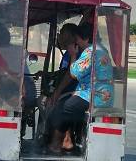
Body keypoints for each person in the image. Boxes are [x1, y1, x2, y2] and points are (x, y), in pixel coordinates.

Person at [46, 23, 113, 153]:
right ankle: (68, 140)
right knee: (67, 105)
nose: (75, 42)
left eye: (77, 39)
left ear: (86, 39)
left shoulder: (90, 52)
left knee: (63, 108)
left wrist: (72, 55)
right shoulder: (102, 50)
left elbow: (74, 73)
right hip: (103, 94)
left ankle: (58, 143)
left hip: (92, 95)